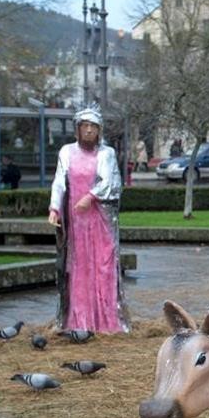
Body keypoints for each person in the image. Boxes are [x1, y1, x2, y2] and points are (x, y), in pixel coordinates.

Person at [47, 105, 129, 333]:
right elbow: (59, 181)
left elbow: (110, 182)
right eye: (85, 126)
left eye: (94, 127)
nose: (90, 131)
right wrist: (55, 207)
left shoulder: (106, 154)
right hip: (76, 222)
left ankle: (106, 320)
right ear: (78, 129)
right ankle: (78, 320)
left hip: (99, 220)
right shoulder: (66, 152)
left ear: (99, 130)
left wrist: (91, 196)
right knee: (79, 267)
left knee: (102, 265)